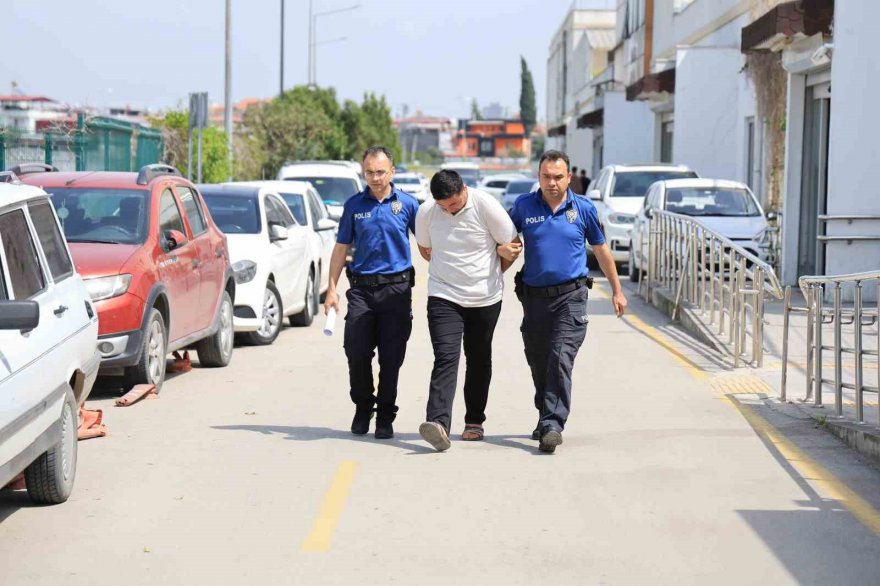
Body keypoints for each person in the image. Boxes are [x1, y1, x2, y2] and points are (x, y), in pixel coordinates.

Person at [501, 150, 627, 454]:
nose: (552, 182)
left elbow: (601, 250)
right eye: (546, 176)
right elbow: (503, 241)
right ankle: (545, 415)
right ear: (538, 177)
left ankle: (553, 425)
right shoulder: (523, 206)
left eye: (558, 177)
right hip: (534, 300)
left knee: (560, 358)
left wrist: (617, 290)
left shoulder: (582, 208)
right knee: (539, 362)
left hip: (571, 297)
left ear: (569, 177)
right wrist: (501, 259)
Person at [414, 170, 520, 452]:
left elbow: (512, 246)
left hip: (485, 298)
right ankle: (437, 423)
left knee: (478, 357)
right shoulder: (427, 212)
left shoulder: (486, 206)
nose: (449, 210)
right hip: (443, 294)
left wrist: (495, 273)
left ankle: (474, 420)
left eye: (453, 204)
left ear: (464, 190)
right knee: (445, 357)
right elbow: (425, 249)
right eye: (443, 206)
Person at [324, 146, 420, 440]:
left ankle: (385, 416)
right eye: (369, 172)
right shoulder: (354, 205)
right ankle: (363, 406)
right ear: (363, 172)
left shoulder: (407, 204)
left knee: (392, 357)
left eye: (380, 172)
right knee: (356, 351)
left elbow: (428, 244)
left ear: (392, 171)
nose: (375, 178)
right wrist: (331, 290)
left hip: (397, 289)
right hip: (362, 290)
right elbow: (341, 248)